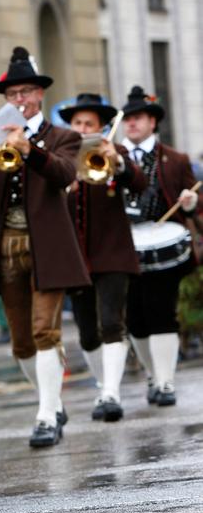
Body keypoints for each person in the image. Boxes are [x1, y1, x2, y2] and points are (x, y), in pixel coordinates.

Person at [0, 46, 89, 448]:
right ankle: (51, 401)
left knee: (45, 331)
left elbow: (63, 174)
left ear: (40, 95)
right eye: (12, 95)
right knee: (22, 341)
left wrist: (30, 150)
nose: (19, 100)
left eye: (25, 93)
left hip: (48, 247)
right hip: (5, 246)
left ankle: (45, 415)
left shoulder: (63, 136)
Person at [59, 93, 145, 421]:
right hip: (76, 257)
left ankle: (111, 392)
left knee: (112, 322)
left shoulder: (114, 151)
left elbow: (138, 183)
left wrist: (118, 162)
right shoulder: (62, 156)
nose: (82, 128)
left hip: (112, 254)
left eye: (88, 124)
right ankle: (101, 385)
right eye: (78, 123)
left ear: (100, 127)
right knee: (86, 331)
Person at [119, 86, 203, 406]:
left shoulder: (175, 159)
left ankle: (166, 382)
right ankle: (154, 374)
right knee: (135, 319)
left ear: (152, 122)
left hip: (166, 250)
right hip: (123, 248)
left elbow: (195, 205)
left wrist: (191, 202)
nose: (131, 124)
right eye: (127, 119)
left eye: (138, 118)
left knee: (161, 313)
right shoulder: (113, 156)